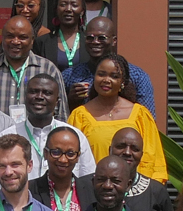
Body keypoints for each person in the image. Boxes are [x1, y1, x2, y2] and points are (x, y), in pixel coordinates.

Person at [69, 54, 166, 182]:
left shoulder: (140, 115)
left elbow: (154, 161)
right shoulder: (79, 116)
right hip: (93, 192)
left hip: (135, 192)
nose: (106, 80)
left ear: (123, 83)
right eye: (101, 74)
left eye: (114, 76)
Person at [72, 126, 172, 211]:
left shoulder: (156, 191)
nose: (127, 152)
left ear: (141, 155)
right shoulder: (84, 185)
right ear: (110, 149)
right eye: (121, 146)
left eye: (135, 149)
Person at [64, 16, 158, 119]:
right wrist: (70, 101)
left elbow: (147, 119)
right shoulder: (70, 75)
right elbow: (57, 117)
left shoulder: (137, 76)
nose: (95, 42)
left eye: (101, 38)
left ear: (114, 41)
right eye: (90, 38)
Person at [0, 16, 65, 122]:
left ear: (32, 40)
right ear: (2, 38)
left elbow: (61, 114)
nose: (15, 41)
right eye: (10, 36)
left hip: (36, 137)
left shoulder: (48, 70)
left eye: (22, 37)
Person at [17, 72, 90, 179]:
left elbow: (87, 178)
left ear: (57, 101)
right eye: (34, 92)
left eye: (47, 93)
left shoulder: (75, 136)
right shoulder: (9, 135)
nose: (39, 97)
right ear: (25, 97)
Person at [30, 126, 87, 211]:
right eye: (56, 152)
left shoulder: (90, 191)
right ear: (45, 153)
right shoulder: (29, 192)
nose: (63, 160)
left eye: (70, 154)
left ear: (78, 157)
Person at [34, 0, 88, 71]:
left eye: (74, 5)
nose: (68, 9)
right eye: (63, 4)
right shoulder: (42, 42)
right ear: (56, 9)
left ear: (82, 11)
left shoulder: (90, 41)